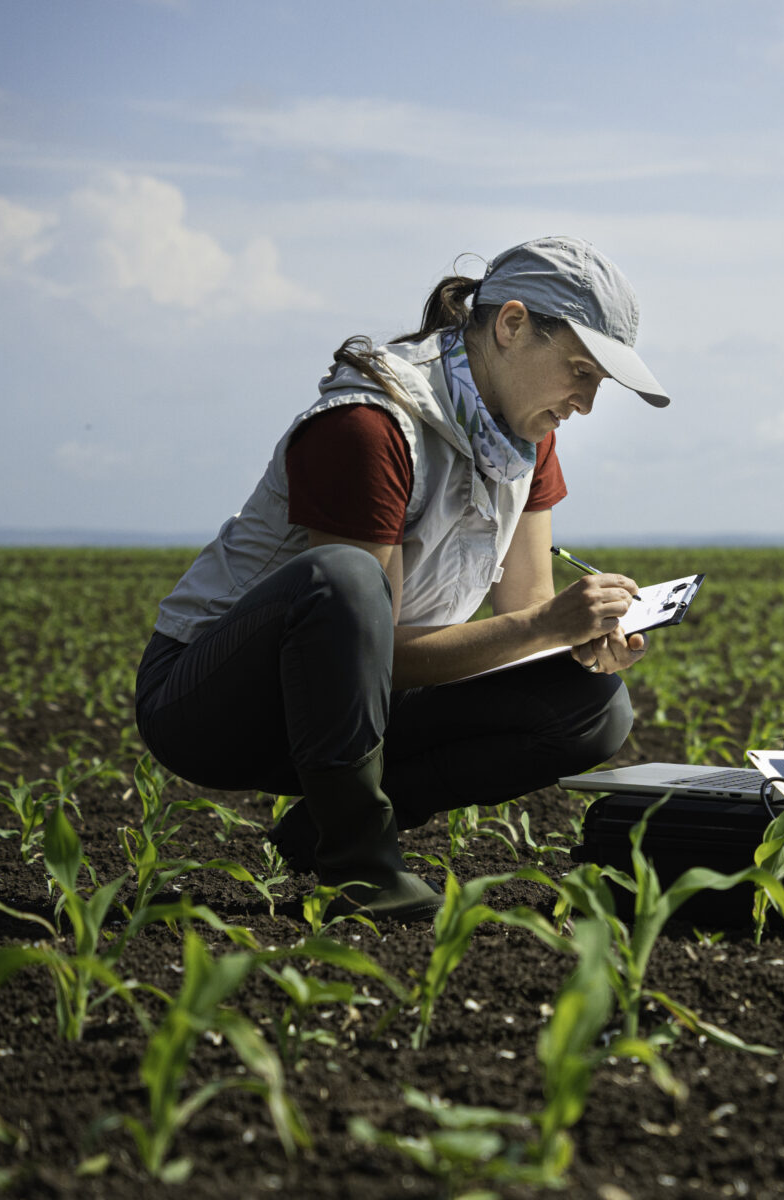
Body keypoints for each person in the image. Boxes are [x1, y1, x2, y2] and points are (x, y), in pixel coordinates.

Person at [134, 236, 666, 922]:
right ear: (510, 326)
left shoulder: (527, 441)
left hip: (361, 702)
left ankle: (320, 829)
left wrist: (576, 639)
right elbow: (365, 647)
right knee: (343, 578)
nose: (585, 404)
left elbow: (526, 613)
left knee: (593, 707)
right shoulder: (369, 425)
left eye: (598, 384)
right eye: (579, 372)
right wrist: (542, 625)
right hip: (213, 702)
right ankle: (360, 865)